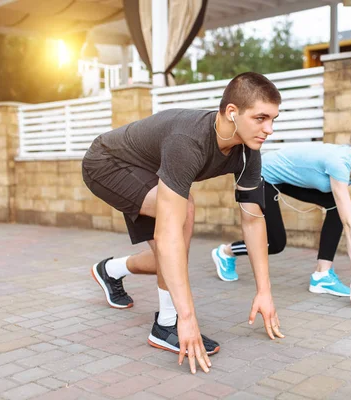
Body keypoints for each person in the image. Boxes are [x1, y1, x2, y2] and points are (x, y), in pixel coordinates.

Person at [82, 72, 285, 374]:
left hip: (151, 171)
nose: (268, 129)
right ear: (232, 113)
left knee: (170, 254)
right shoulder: (187, 141)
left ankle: (110, 270)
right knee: (182, 218)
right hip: (107, 163)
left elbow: (254, 221)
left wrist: (264, 291)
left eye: (273, 119)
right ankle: (167, 324)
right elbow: (168, 236)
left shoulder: (247, 151)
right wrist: (187, 316)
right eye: (261, 118)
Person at [212, 113, 351, 308]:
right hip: (263, 175)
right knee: (275, 243)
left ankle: (322, 275)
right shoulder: (340, 161)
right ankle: (225, 253)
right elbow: (349, 223)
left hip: (287, 180)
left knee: (336, 206)